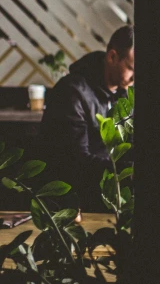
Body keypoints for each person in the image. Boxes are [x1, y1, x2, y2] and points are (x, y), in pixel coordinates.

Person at [41, 26, 134, 211]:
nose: (135, 77)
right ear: (112, 57)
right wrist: (131, 173)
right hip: (74, 199)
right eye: (131, 68)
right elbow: (76, 162)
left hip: (107, 191)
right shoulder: (72, 92)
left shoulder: (123, 93)